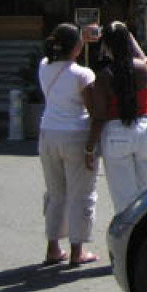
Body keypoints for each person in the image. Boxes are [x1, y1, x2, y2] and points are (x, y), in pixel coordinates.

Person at [38, 23, 99, 267]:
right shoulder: (83, 74)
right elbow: (93, 109)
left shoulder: (44, 66)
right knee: (81, 193)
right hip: (75, 135)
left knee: (55, 193)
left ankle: (53, 247)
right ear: (76, 46)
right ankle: (77, 251)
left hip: (48, 132)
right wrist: (90, 147)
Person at [86, 22, 147, 215]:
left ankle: (127, 241)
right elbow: (142, 57)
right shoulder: (144, 68)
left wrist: (89, 148)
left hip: (116, 132)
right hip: (146, 129)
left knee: (124, 200)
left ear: (106, 45)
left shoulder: (104, 75)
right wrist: (126, 33)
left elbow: (100, 115)